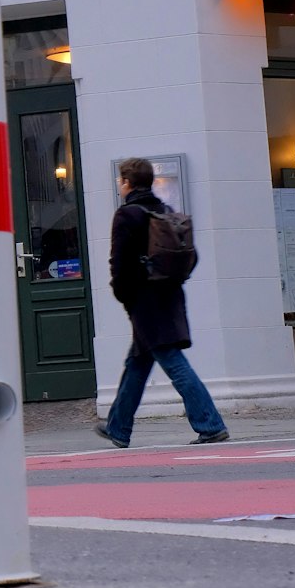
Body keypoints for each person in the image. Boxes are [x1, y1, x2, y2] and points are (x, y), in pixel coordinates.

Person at [96, 158, 229, 448]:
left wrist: (123, 295)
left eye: (121, 181)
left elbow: (118, 265)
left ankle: (211, 424)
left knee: (171, 361)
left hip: (144, 301)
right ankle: (118, 427)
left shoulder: (127, 215)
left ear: (128, 183)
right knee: (138, 362)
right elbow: (191, 257)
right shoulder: (165, 211)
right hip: (169, 295)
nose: (120, 185)